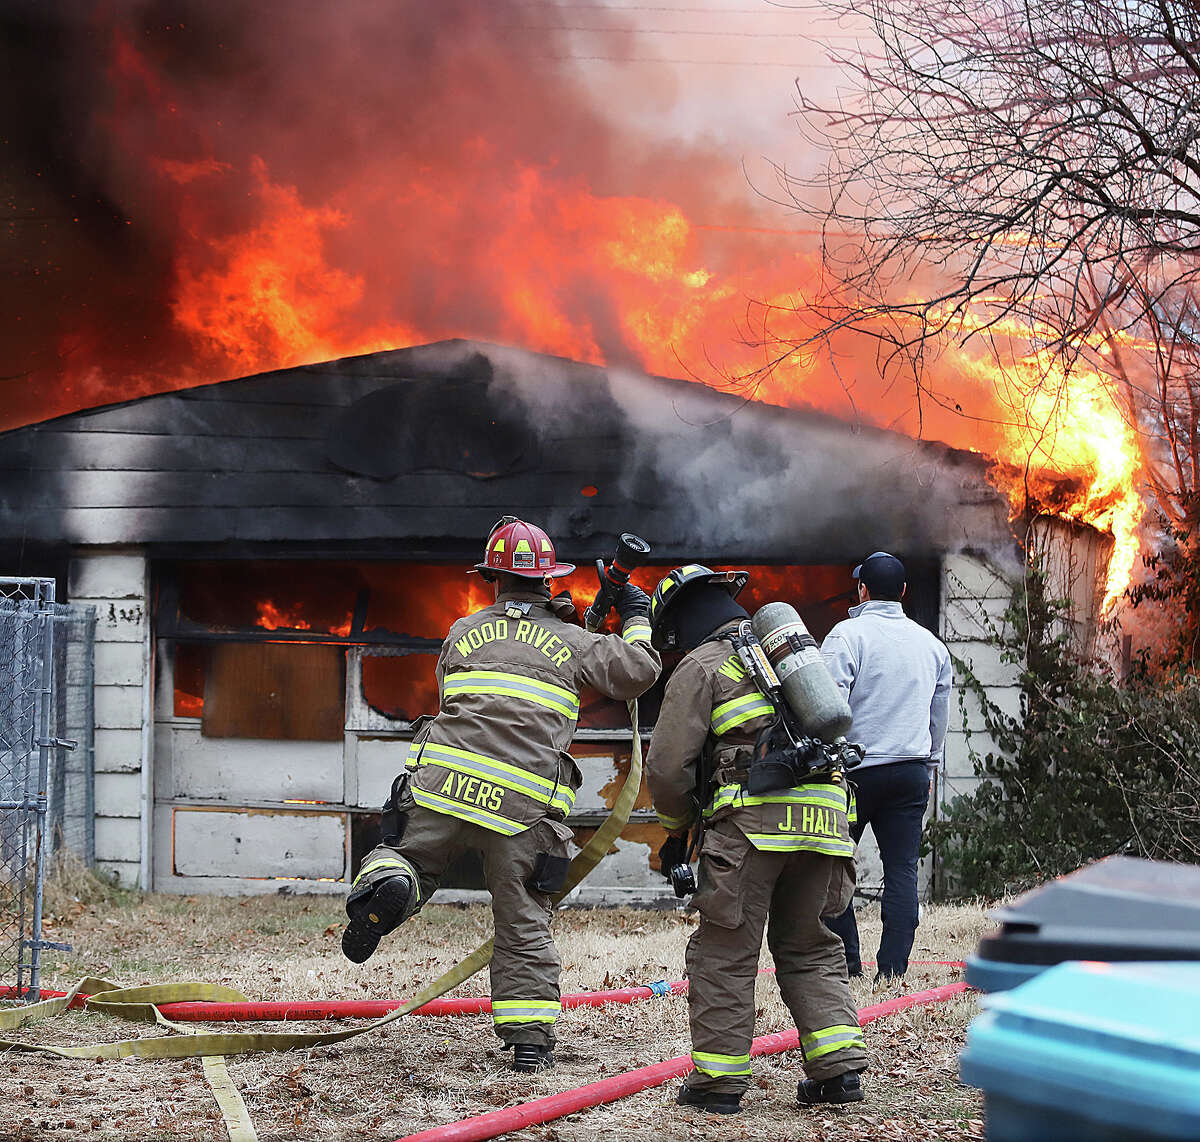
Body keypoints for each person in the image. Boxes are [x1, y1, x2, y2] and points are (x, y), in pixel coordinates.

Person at [342, 517, 661, 1072]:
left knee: (408, 856)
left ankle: (390, 882)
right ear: (548, 580)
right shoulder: (572, 640)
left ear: (492, 578)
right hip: (521, 804)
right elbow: (638, 673)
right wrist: (634, 618)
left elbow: (474, 688)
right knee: (522, 917)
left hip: (442, 783)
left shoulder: (462, 631)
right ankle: (528, 1039)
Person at [644, 564, 868, 1116]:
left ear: (678, 624)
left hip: (753, 827)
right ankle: (837, 1072)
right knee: (812, 946)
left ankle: (718, 1085)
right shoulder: (789, 658)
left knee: (725, 951)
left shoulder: (702, 665)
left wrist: (678, 828)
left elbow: (669, 769)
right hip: (826, 822)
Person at [820, 551, 952, 981]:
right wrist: (929, 763)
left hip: (853, 774)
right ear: (904, 592)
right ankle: (893, 971)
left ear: (862, 589)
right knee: (902, 870)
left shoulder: (846, 635)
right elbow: (939, 716)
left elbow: (826, 706)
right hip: (911, 772)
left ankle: (848, 965)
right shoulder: (933, 646)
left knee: (833, 866)